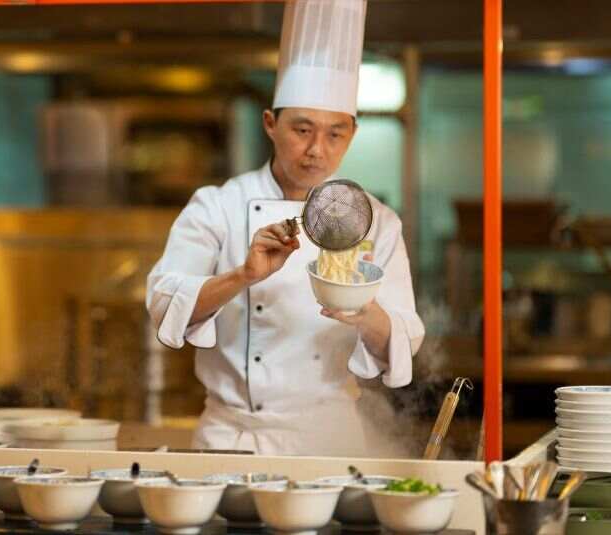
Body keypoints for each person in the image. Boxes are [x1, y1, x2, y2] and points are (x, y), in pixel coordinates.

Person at [145, 0, 424, 457]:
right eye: (302, 130)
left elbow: (403, 338)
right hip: (231, 441)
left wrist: (362, 309)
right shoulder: (217, 206)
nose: (317, 149)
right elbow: (163, 303)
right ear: (271, 124)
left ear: (352, 134)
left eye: (335, 133)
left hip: (329, 443)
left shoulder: (376, 221)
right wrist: (243, 276)